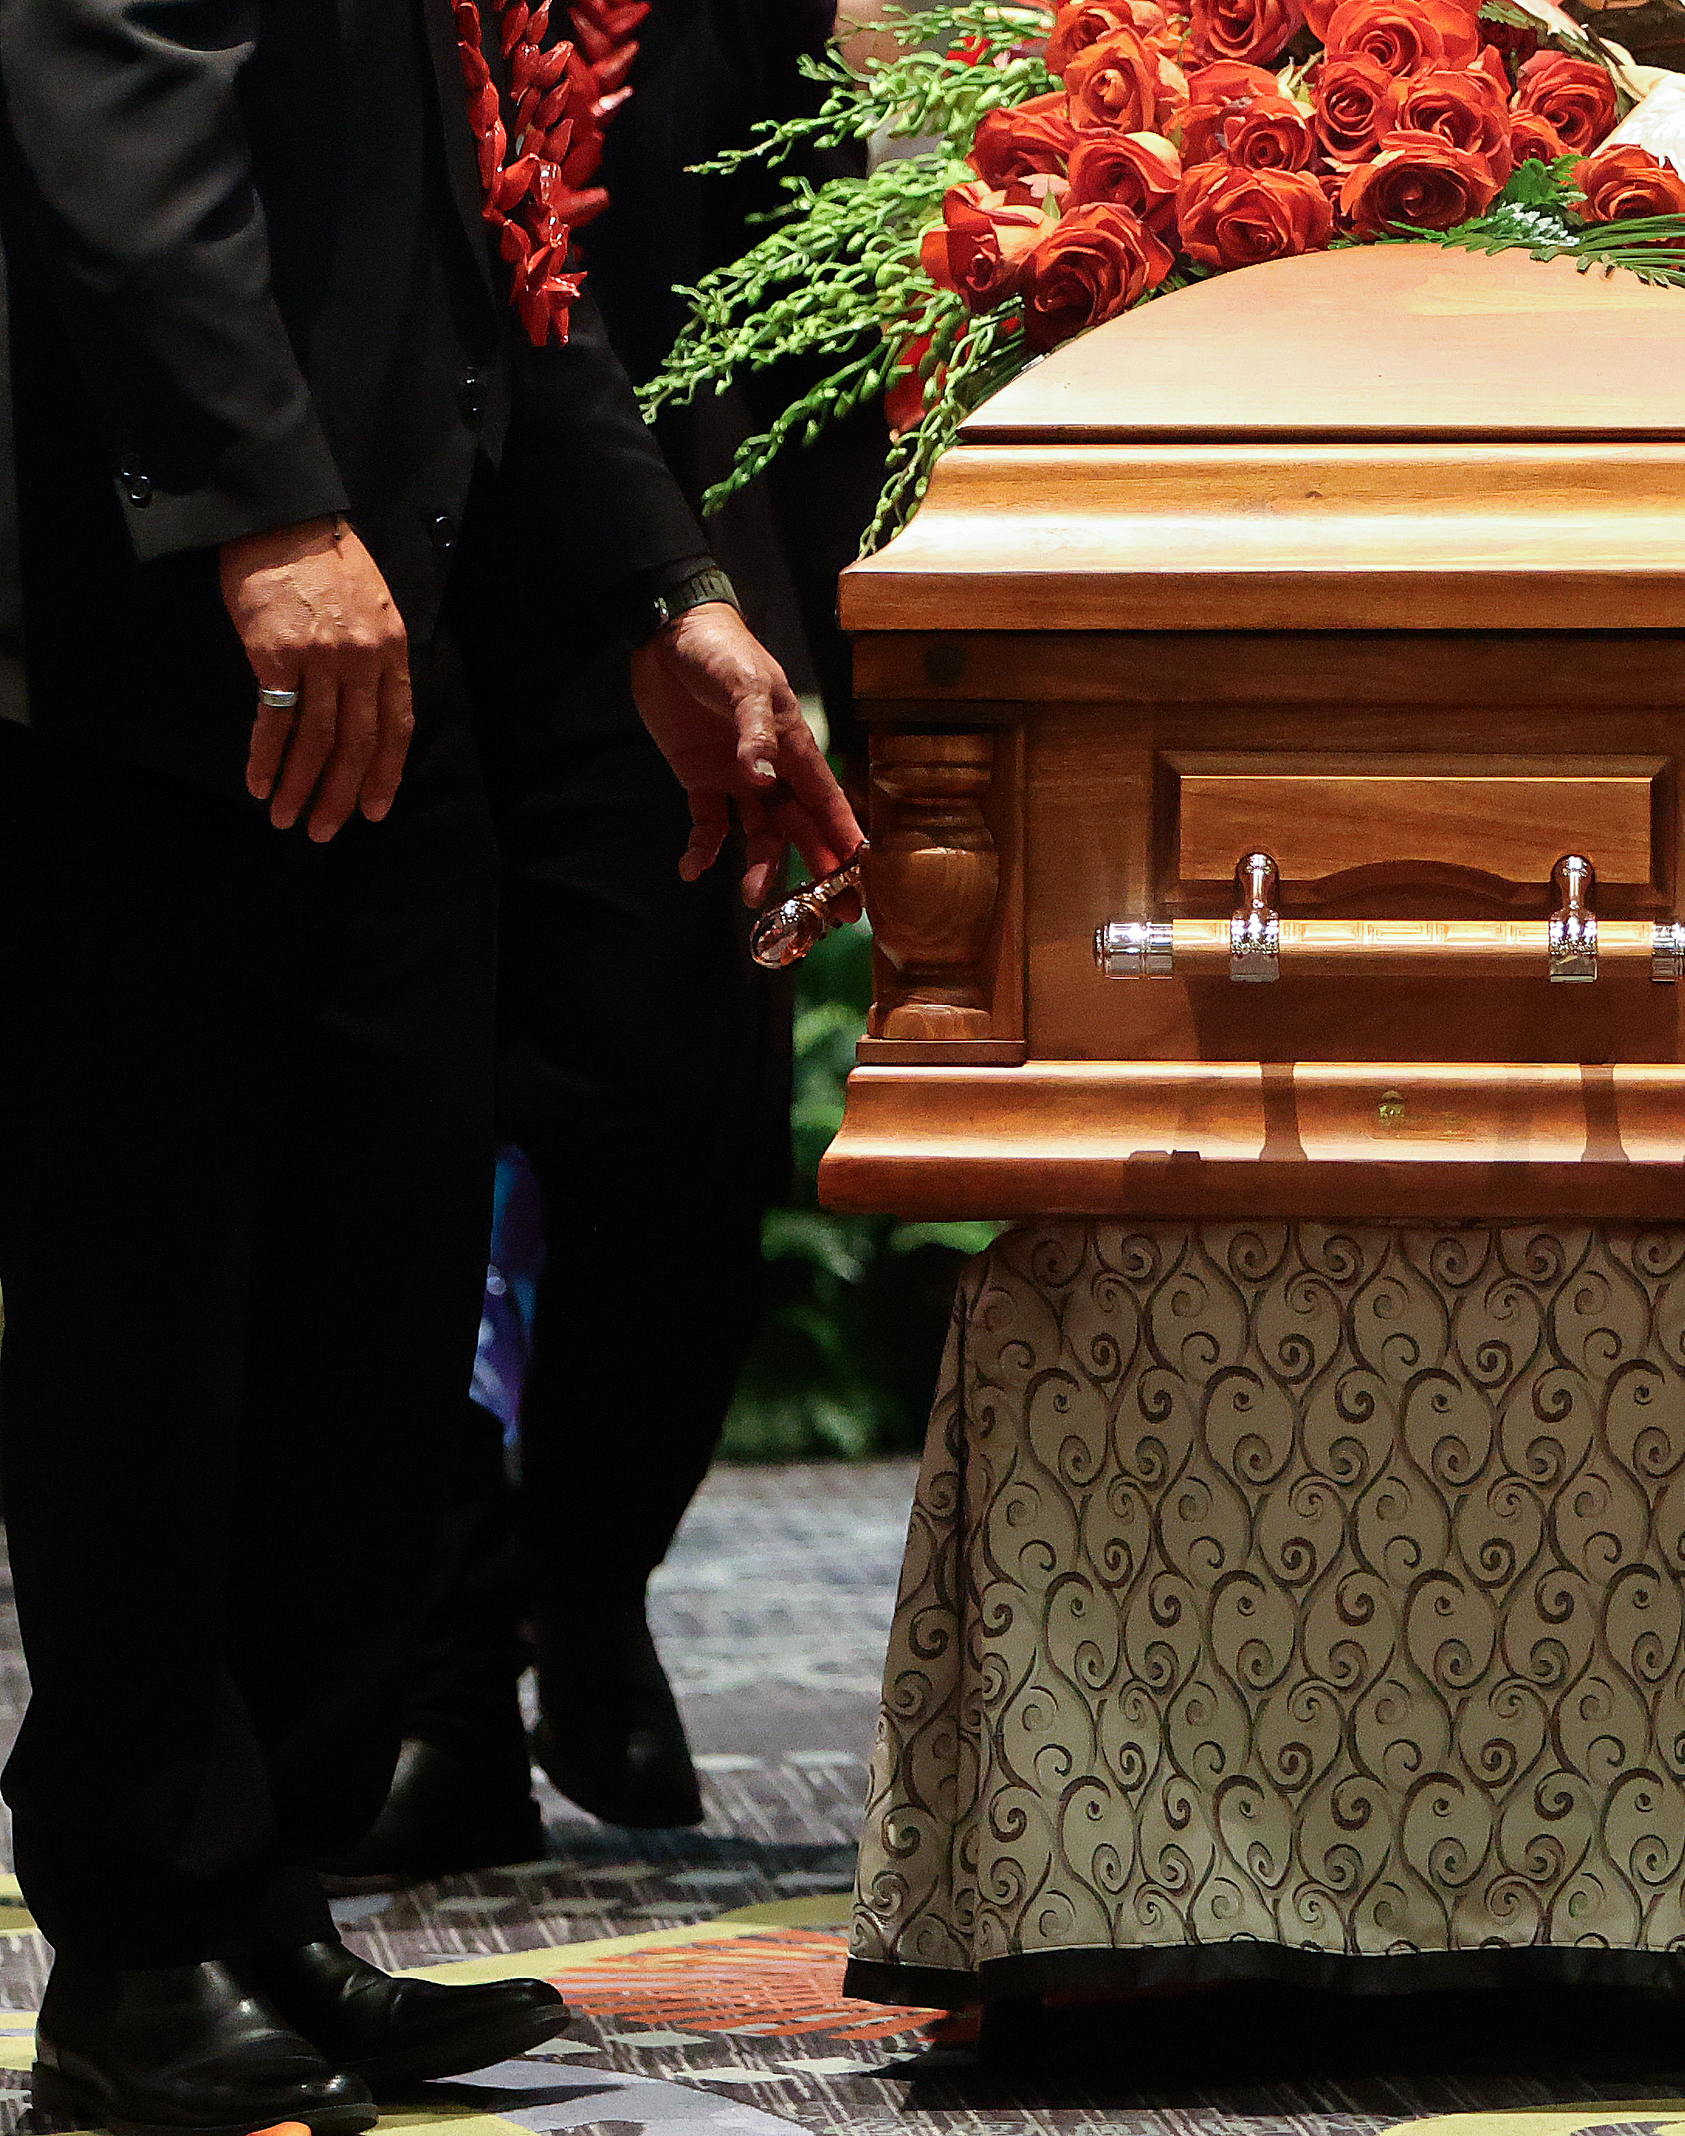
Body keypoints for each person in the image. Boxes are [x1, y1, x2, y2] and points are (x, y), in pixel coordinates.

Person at [0, 0, 863, 2122]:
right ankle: (132, 1945)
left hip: (410, 592)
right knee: (161, 1294)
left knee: (366, 1293)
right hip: (180, 619)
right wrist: (262, 512)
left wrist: (663, 589)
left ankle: (263, 1887)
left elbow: (503, 239)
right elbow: (108, 94)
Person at [330, 0, 888, 1888]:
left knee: (674, 1131)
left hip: (673, 551)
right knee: (374, 1138)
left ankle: (590, 1578)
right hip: (374, 549)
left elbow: (792, 264)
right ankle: (443, 1681)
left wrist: (823, 631)